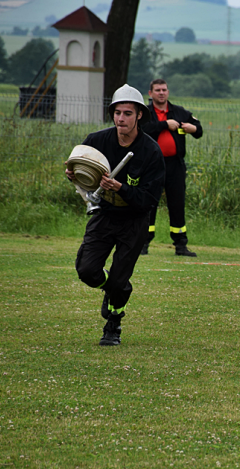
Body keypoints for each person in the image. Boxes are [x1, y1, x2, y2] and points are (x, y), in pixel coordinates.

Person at [66, 84, 165, 346]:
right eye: (117, 113)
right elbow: (84, 178)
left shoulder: (151, 152)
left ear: (139, 115)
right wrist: (75, 176)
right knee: (87, 270)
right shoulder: (96, 141)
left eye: (128, 113)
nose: (121, 118)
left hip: (134, 220)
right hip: (104, 215)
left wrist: (121, 187)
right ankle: (114, 287)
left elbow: (148, 200)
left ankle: (113, 326)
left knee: (120, 280)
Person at [141, 79, 203, 257]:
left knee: (177, 204)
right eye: (158, 90)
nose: (161, 93)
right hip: (151, 166)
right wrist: (164, 124)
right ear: (150, 93)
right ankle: (143, 242)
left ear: (168, 92)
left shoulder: (179, 112)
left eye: (164, 90)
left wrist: (193, 128)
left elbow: (198, 130)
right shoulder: (145, 113)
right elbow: (142, 129)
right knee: (149, 203)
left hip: (175, 165)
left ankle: (180, 245)